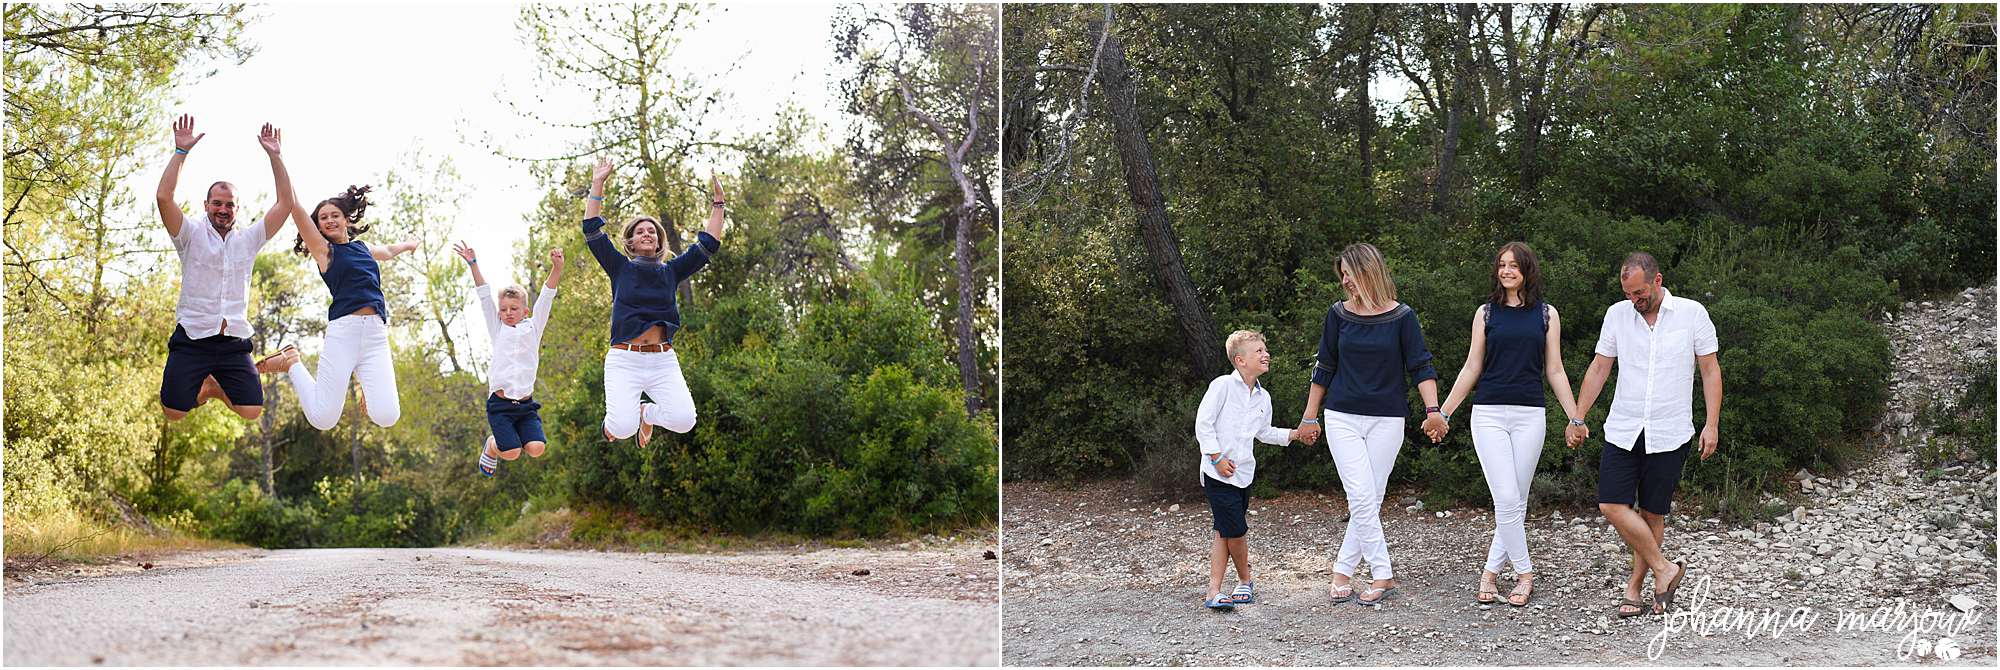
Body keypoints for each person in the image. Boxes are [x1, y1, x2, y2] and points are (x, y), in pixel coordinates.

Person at [1435, 242, 1588, 607]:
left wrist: (1575, 416)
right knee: (1505, 498)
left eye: (1514, 266)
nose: (1506, 271)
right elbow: (1473, 366)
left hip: (1529, 415)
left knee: (1515, 502)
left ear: (1527, 271)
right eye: (1502, 265)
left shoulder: (1547, 314)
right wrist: (1444, 411)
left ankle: (1490, 572)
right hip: (1488, 413)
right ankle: (1525, 572)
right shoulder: (1485, 313)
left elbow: (1555, 369)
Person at [1571, 251, 1722, 617]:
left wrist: (1712, 423)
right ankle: (1665, 568)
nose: (1634, 301)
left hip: (1670, 430)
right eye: (1628, 294)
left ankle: (1636, 588)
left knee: (1653, 513)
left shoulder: (1692, 313)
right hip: (1624, 428)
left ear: (1657, 280)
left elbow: (1710, 371)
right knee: (1611, 504)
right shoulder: (1617, 316)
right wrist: (1578, 416)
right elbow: (1599, 367)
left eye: (1639, 293)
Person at [1296, 243, 1445, 607]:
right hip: (1342, 416)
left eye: (1349, 272)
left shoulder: (1402, 317)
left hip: (1387, 419)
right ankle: (1383, 573)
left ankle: (1342, 571)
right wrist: (1309, 415)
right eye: (1342, 274)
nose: (1345, 280)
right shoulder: (1337, 315)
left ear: (1369, 270)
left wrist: (1433, 410)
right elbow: (1324, 367)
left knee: (1370, 498)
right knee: (1362, 496)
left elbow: (1421, 366)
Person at [155, 114, 298, 421]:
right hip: (193, 338)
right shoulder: (190, 235)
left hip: (232, 340)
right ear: (206, 205)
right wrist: (181, 153)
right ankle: (203, 383)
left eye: (229, 204)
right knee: (173, 413)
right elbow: (163, 197)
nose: (223, 209)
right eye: (217, 203)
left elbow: (285, 203)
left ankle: (215, 387)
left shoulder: (248, 240)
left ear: (237, 207)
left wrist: (276, 156)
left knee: (251, 410)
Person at [582, 157, 726, 447]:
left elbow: (708, 243)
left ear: (659, 242)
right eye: (640, 231)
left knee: (685, 420)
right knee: (621, 429)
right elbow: (591, 230)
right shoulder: (620, 267)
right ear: (631, 243)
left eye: (652, 231)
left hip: (663, 360)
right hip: (625, 360)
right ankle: (628, 418)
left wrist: (719, 204)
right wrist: (597, 183)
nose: (647, 233)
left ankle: (646, 413)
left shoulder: (671, 271)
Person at [272, 185, 418, 430]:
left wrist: (410, 244)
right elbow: (294, 206)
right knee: (323, 419)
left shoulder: (363, 248)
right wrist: (277, 156)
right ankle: (292, 363)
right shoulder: (324, 252)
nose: (329, 220)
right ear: (317, 227)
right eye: (323, 218)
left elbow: (389, 250)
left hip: (375, 335)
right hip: (344, 334)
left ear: (347, 220)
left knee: (386, 416)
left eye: (334, 215)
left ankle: (366, 384)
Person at [1193, 330, 1303, 611]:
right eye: (1259, 351)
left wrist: (1295, 434)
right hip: (1218, 474)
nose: (1266, 354)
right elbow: (1203, 424)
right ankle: (1243, 580)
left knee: (1224, 531)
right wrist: (1216, 457)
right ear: (1240, 360)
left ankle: (1216, 590)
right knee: (1236, 530)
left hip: (1244, 475)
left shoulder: (1263, 397)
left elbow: (1264, 432)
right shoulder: (1221, 386)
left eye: (1265, 350)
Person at [455, 242, 564, 476]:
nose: (508, 313)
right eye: (503, 309)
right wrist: (473, 264)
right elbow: (484, 296)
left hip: (525, 406)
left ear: (525, 311)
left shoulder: (533, 328)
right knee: (512, 452)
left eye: (514, 308)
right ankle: (492, 445)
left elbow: (546, 296)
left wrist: (557, 268)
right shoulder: (498, 328)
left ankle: (514, 438)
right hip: (501, 406)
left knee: (536, 448)